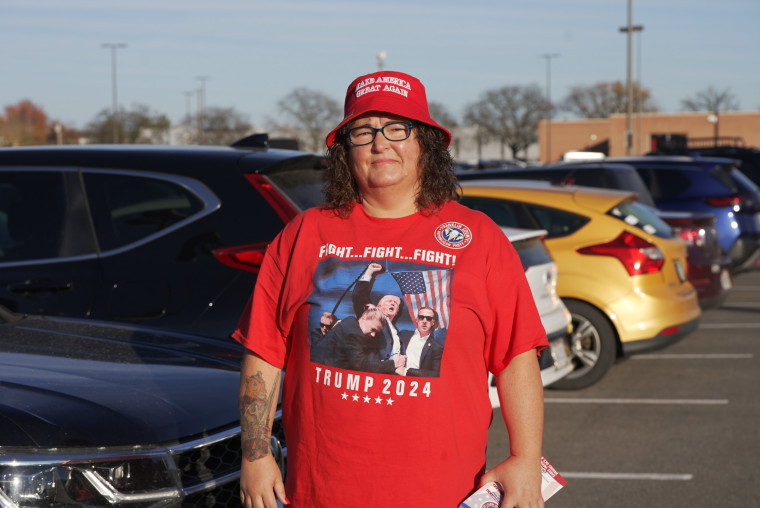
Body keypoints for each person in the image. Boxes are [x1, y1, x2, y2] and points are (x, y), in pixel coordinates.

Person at [234, 70, 548, 508]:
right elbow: (264, 352)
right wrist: (256, 454)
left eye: (397, 128)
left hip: (442, 491)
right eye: (363, 131)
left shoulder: (478, 238)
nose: (381, 143)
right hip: (320, 491)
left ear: (425, 142)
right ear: (346, 151)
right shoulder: (304, 234)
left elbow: (516, 356)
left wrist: (525, 458)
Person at [310, 306, 393, 373]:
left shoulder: (350, 323)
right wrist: (393, 364)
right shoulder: (352, 332)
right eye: (373, 329)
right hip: (320, 373)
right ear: (364, 318)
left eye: (376, 332)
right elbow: (360, 365)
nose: (373, 335)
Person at [351, 262, 404, 359]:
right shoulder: (371, 316)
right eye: (389, 301)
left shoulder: (396, 331)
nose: (392, 303)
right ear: (379, 306)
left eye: (396, 303)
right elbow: (358, 297)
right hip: (375, 367)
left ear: (397, 311)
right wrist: (369, 272)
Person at [397, 306, 444, 377]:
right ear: (417, 320)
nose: (424, 321)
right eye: (421, 317)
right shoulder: (403, 335)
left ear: (432, 323)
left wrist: (407, 371)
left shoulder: (437, 347)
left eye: (428, 318)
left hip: (418, 383)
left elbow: (436, 374)